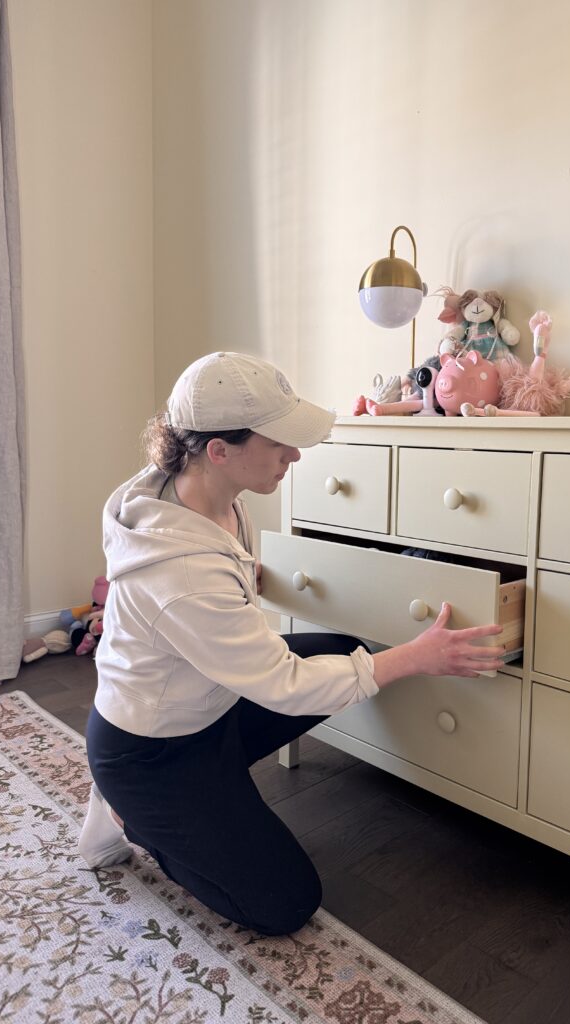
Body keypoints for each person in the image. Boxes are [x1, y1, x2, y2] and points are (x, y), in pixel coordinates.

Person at [79, 351, 506, 936]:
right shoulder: (178, 577)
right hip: (150, 754)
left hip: (209, 711)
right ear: (219, 451)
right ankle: (132, 816)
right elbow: (282, 684)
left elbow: (219, 591)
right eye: (279, 442)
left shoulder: (204, 495)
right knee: (285, 903)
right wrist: (415, 656)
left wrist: (241, 582)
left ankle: (207, 794)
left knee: (336, 645)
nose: (295, 455)